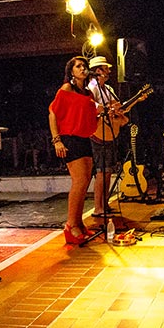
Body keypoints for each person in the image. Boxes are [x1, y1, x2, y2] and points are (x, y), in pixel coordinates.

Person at [49, 56, 99, 245]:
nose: (83, 69)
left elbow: (91, 118)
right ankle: (70, 225)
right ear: (71, 71)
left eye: (84, 66)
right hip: (69, 138)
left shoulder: (88, 93)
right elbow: (53, 113)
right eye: (78, 66)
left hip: (84, 138)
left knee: (85, 181)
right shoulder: (66, 89)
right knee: (79, 181)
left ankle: (78, 222)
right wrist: (57, 141)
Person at [86, 56, 126, 215]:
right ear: (98, 71)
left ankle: (105, 203)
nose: (109, 71)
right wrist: (105, 108)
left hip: (109, 131)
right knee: (101, 170)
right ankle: (98, 207)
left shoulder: (108, 89)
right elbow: (91, 106)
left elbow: (116, 106)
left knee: (108, 170)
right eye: (106, 69)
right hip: (98, 132)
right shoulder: (92, 87)